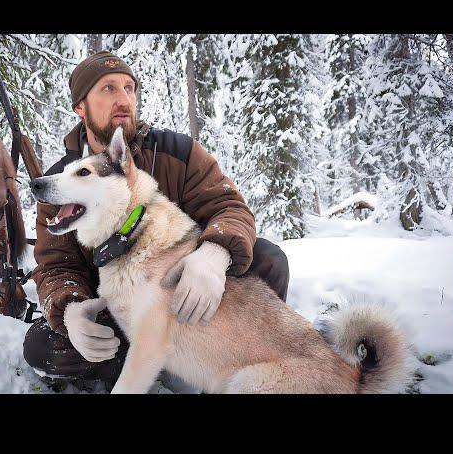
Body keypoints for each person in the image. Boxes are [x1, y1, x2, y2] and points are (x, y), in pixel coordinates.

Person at [22, 50, 290, 391]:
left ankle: (244, 363)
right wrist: (71, 310)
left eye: (129, 87)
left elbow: (230, 209)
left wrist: (213, 256)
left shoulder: (178, 153)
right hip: (120, 314)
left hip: (189, 302)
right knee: (45, 347)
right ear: (80, 107)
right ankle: (151, 365)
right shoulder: (60, 184)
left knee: (267, 261)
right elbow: (56, 265)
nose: (124, 99)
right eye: (108, 88)